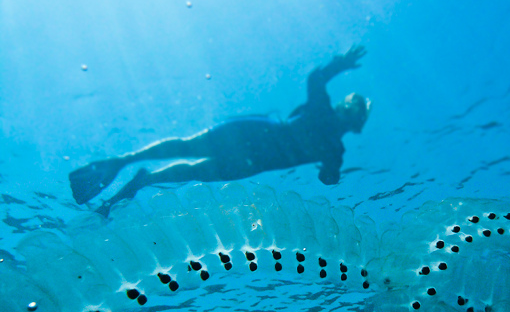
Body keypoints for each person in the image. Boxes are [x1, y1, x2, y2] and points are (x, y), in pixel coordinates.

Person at [69, 45, 371, 216]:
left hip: (255, 159)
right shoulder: (323, 115)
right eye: (349, 105)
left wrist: (329, 169)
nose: (347, 111)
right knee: (188, 148)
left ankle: (142, 180)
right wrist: (339, 64)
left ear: (356, 122)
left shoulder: (335, 148)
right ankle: (123, 162)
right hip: (253, 136)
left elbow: (328, 178)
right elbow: (316, 78)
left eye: (354, 110)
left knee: (194, 171)